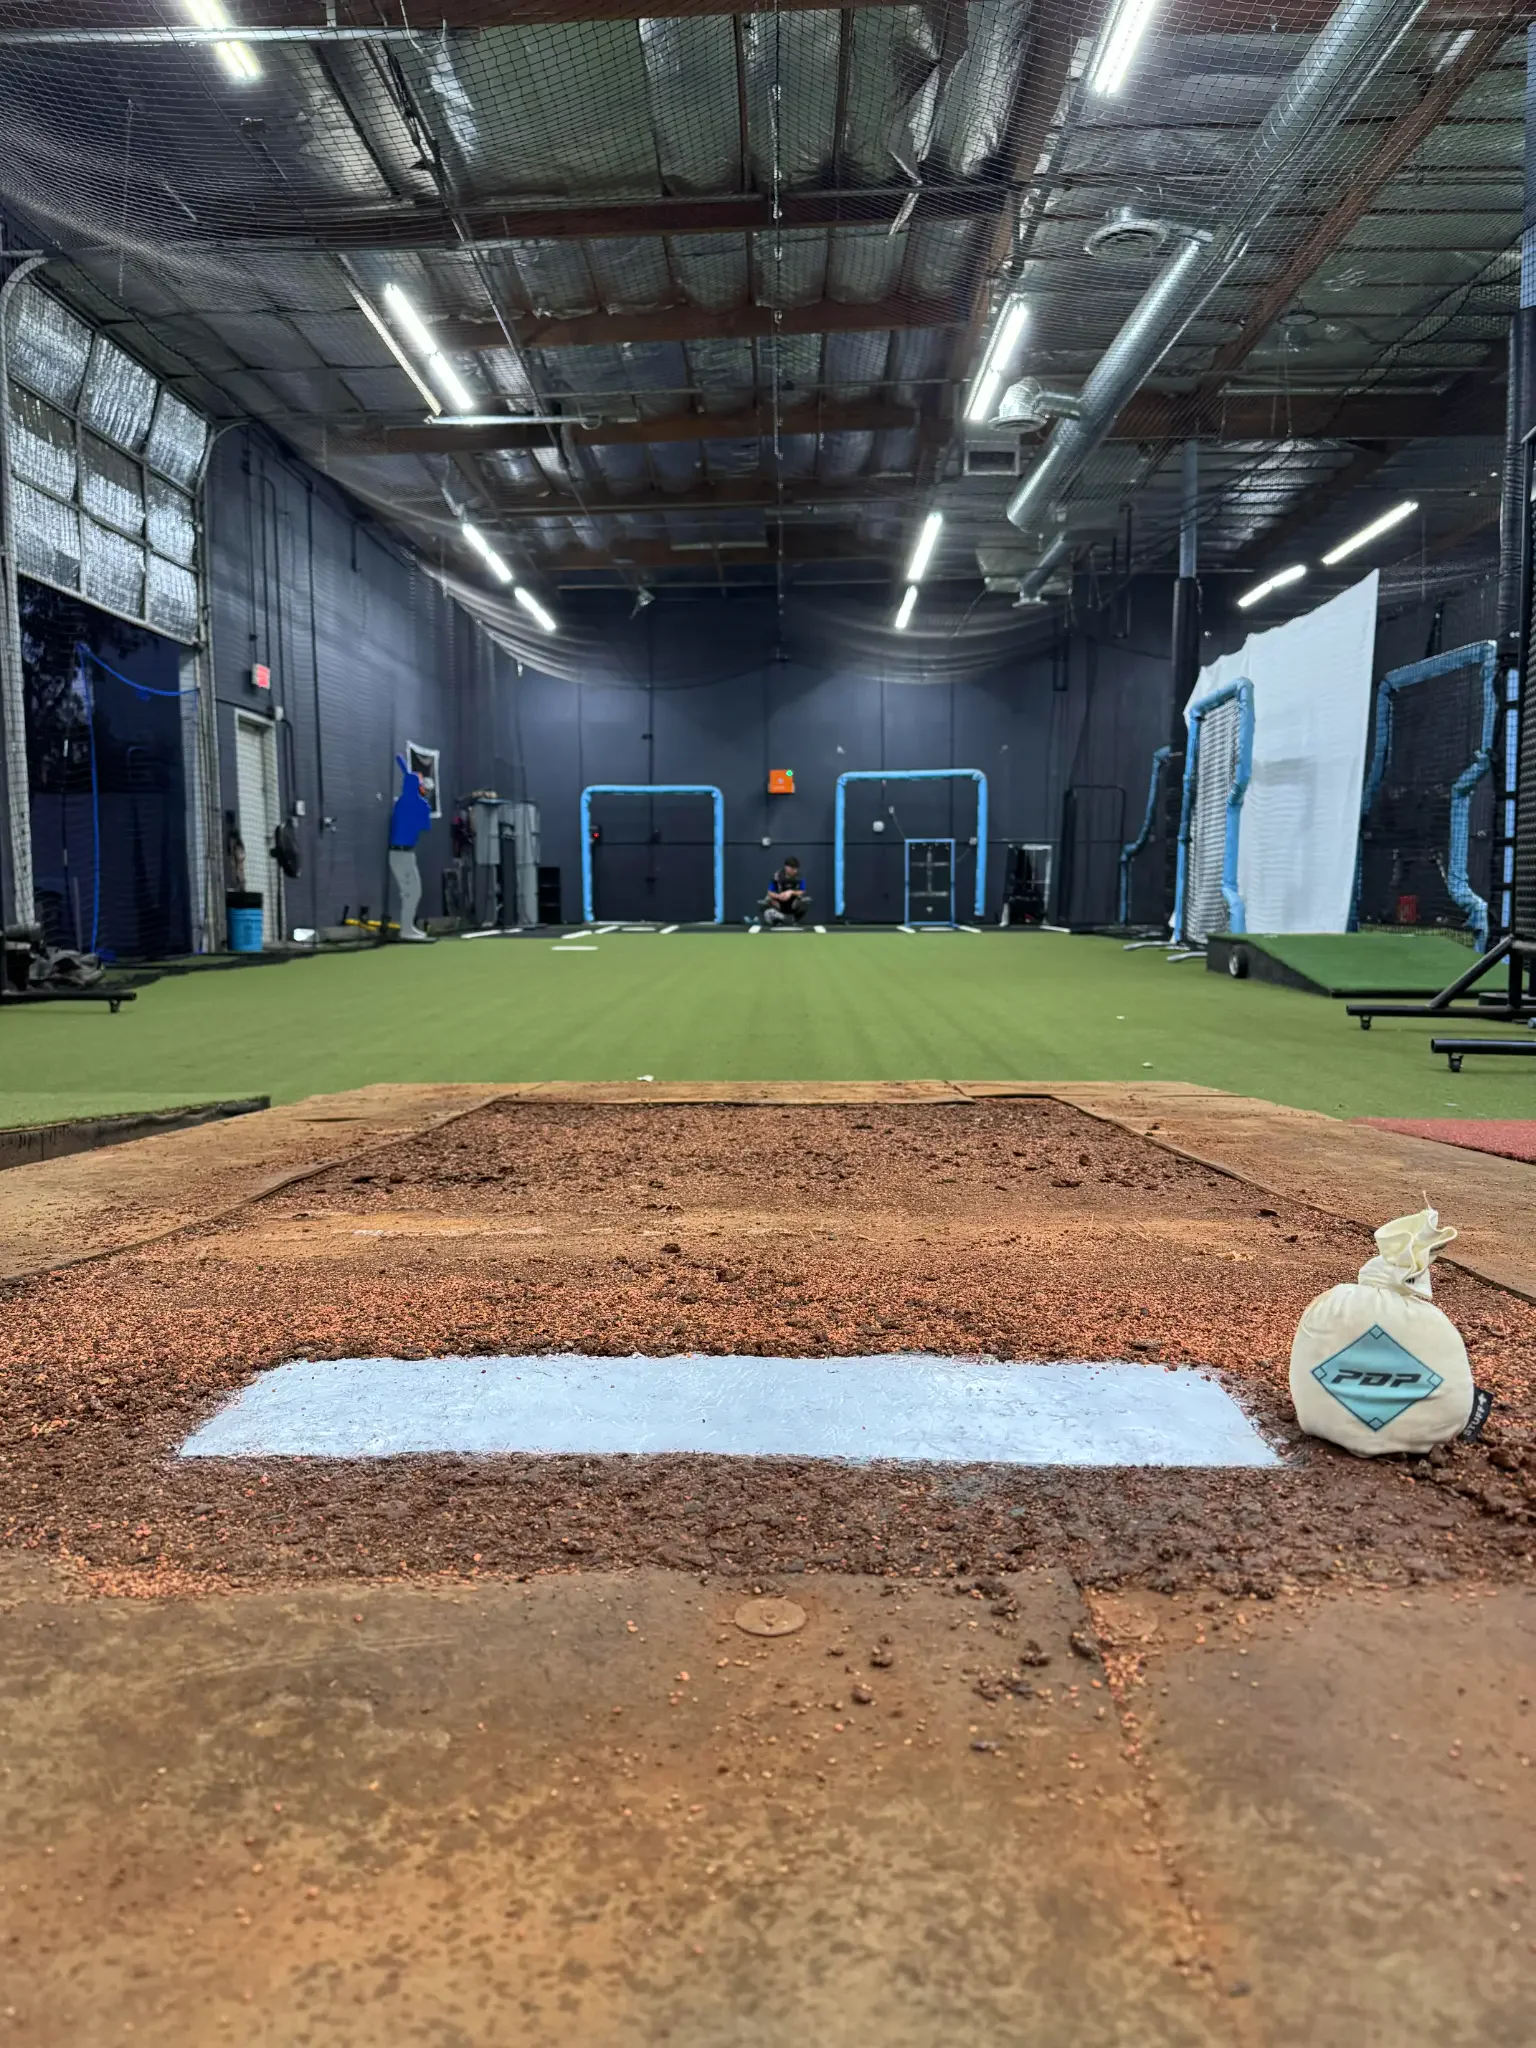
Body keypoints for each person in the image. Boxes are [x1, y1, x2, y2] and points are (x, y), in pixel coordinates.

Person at [389, 753, 434, 941]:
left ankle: (408, 927)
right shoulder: (421, 804)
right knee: (412, 892)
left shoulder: (400, 802)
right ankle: (406, 929)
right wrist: (425, 797)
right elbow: (426, 826)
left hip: (400, 853)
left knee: (410, 892)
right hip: (403, 854)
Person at [761, 856, 810, 926]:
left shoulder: (800, 877)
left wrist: (791, 892)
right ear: (786, 867)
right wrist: (778, 896)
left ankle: (794, 920)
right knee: (766, 900)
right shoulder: (777, 876)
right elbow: (770, 892)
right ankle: (779, 919)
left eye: (796, 869)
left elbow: (803, 891)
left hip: (793, 903)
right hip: (779, 903)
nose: (795, 871)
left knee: (806, 901)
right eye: (793, 868)